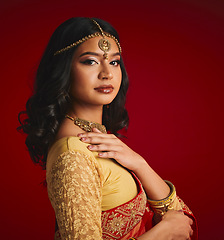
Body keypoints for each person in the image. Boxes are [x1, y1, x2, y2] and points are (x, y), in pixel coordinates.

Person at [18, 17, 197, 240]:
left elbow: (181, 218)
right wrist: (164, 232)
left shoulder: (99, 139)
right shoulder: (73, 155)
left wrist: (140, 164)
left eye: (114, 62)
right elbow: (176, 225)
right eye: (90, 61)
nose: (107, 73)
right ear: (63, 69)